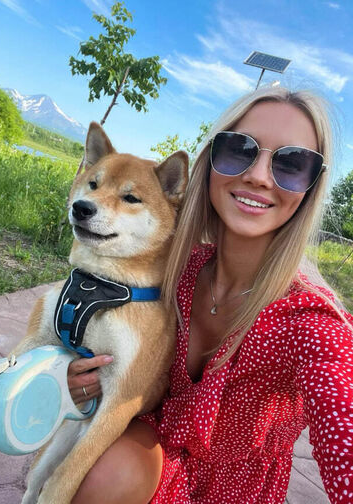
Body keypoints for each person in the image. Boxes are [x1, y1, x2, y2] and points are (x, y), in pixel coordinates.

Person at [67, 86, 353, 504]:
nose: (258, 176)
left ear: (311, 186)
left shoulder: (312, 322)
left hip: (235, 492)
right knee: (100, 471)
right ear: (210, 161)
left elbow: (343, 417)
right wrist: (74, 374)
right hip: (146, 451)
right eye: (240, 149)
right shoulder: (174, 269)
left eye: (291, 163)